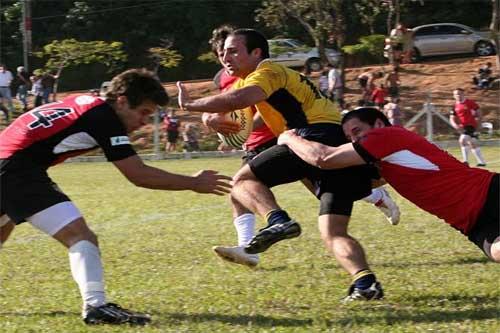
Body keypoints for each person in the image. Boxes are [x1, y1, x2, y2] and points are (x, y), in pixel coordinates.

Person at [0, 68, 232, 325]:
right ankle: (96, 306)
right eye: (143, 112)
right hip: (15, 170)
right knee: (80, 236)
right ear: (121, 100)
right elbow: (138, 174)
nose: (144, 122)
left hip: (8, 164)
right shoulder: (103, 117)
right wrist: (194, 182)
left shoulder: (85, 102)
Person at [177, 28, 394, 301]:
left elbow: (240, 99)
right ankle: (366, 283)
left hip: (312, 137)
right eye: (223, 52)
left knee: (242, 182)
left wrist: (192, 105)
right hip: (333, 144)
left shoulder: (267, 71)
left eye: (233, 50)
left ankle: (278, 221)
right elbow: (239, 121)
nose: (225, 57)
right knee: (333, 231)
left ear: (257, 53)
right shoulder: (262, 79)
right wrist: (215, 121)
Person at [277, 107, 499, 264]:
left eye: (357, 131)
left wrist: (289, 139)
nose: (354, 140)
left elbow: (325, 158)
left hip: (489, 193)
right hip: (471, 222)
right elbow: (345, 184)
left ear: (378, 124)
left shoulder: (386, 136)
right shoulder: (384, 163)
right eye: (349, 137)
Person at [449, 88, 486, 167]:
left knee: (462, 140)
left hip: (471, 125)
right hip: (463, 126)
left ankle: (465, 161)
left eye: (459, 94)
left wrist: (479, 124)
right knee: (472, 143)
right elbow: (452, 118)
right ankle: (482, 162)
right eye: (455, 94)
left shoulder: (470, 103)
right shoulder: (455, 106)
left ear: (463, 94)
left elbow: (479, 114)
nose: (457, 95)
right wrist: (455, 125)